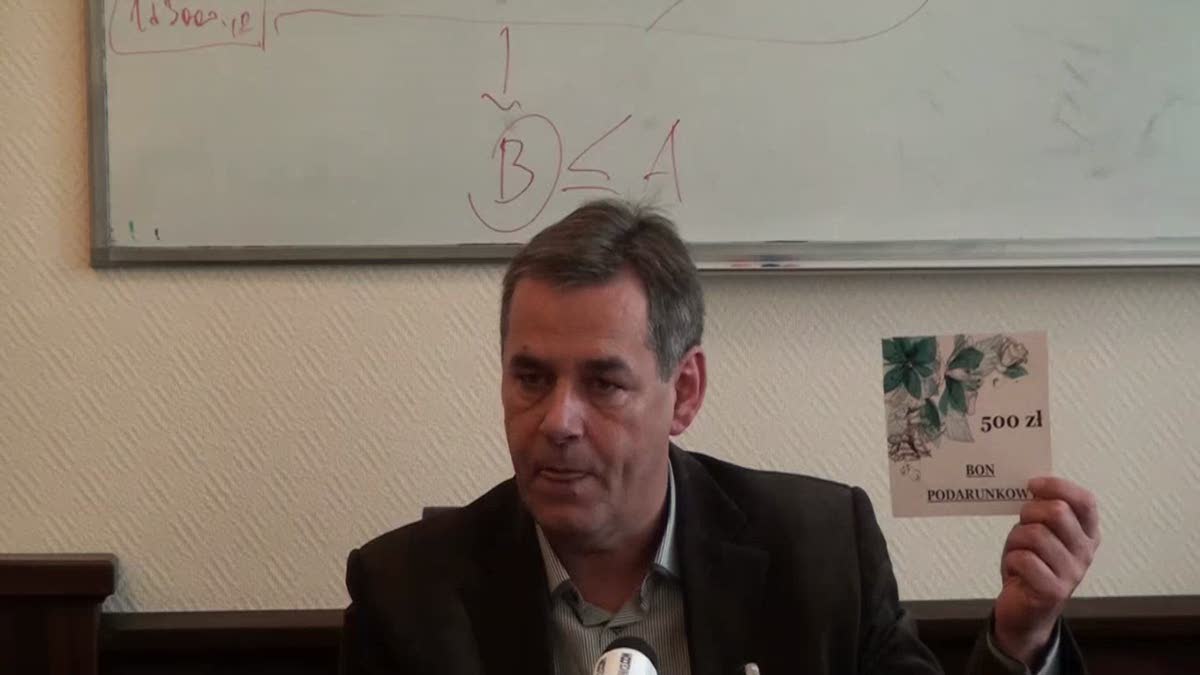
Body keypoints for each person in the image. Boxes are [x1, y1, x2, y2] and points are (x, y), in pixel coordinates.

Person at [339, 199, 1100, 675]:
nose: (558, 421)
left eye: (603, 383)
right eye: (531, 378)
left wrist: (1021, 638)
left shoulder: (822, 551)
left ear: (685, 392)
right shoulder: (406, 591)